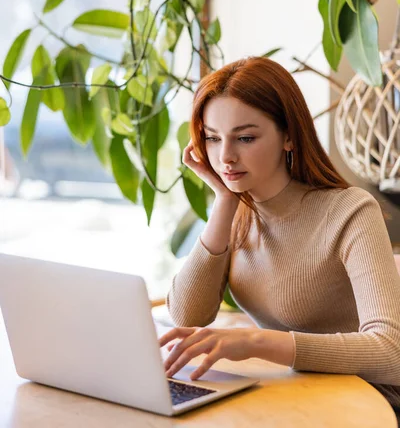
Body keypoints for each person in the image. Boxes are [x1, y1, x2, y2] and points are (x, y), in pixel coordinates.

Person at [158, 56, 400, 419]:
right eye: (212, 138)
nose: (225, 156)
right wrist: (224, 201)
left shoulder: (350, 211)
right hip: (300, 393)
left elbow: (391, 354)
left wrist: (257, 342)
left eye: (245, 137)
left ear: (288, 135)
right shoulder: (236, 212)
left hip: (371, 404)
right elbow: (187, 314)